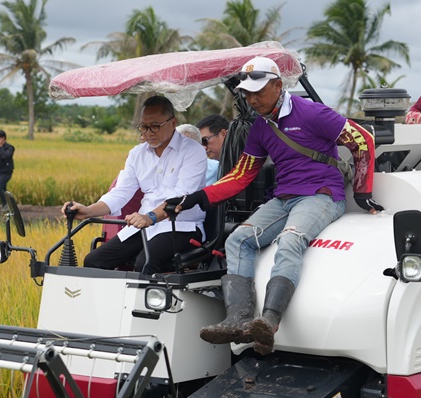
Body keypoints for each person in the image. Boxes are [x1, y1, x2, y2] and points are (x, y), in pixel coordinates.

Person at [167, 56, 382, 355]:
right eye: (247, 93)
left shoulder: (312, 113)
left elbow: (362, 140)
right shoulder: (260, 128)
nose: (252, 99)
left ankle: (269, 320)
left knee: (291, 240)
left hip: (321, 195)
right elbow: (241, 175)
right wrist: (197, 197)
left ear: (278, 85)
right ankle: (238, 320)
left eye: (259, 91)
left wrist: (362, 191)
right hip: (283, 198)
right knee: (238, 240)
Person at [62, 96, 208, 275]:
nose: (148, 133)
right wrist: (88, 210)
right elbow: (121, 192)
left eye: (155, 126)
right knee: (94, 261)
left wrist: (150, 217)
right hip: (145, 226)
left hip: (181, 226)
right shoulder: (137, 154)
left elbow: (182, 197)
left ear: (172, 123)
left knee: (145, 263)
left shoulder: (194, 151)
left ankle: (148, 303)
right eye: (144, 127)